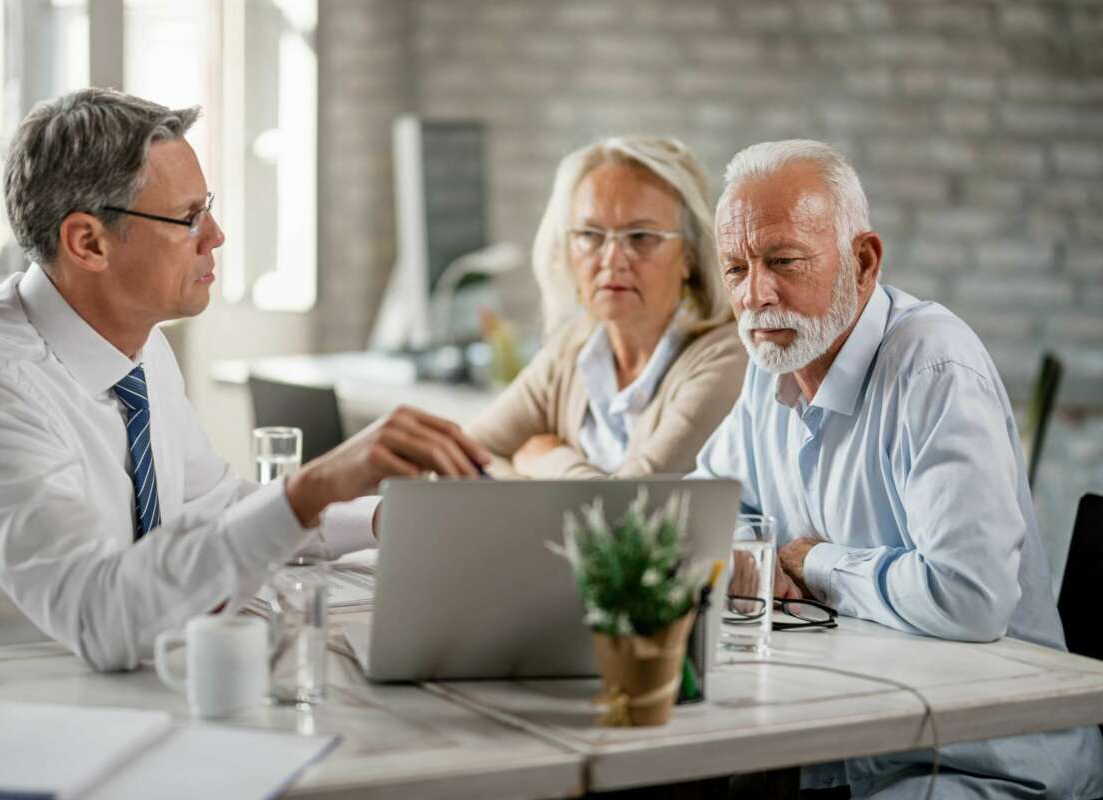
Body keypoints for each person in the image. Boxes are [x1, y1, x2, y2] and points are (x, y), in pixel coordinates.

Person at [0, 88, 489, 670]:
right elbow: (101, 618)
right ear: (88, 242)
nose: (215, 235)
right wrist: (312, 486)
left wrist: (381, 519)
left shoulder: (138, 347)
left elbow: (216, 510)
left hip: (107, 694)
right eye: (188, 218)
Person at [692, 139, 1103, 798]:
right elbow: (702, 512)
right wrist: (749, 554)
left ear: (864, 260)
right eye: (735, 267)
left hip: (982, 763)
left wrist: (812, 562)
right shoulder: (772, 361)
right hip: (856, 744)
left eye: (784, 261)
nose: (756, 294)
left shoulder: (934, 368)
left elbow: (968, 597)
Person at [468, 136, 746, 478]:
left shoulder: (728, 359)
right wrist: (533, 485)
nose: (612, 260)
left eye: (641, 236)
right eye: (590, 235)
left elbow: (629, 515)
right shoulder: (570, 355)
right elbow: (460, 458)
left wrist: (547, 459)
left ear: (689, 255)